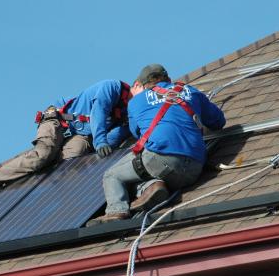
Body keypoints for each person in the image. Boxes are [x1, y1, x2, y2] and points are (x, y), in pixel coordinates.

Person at [87, 64, 226, 226]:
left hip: (161, 160)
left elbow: (138, 133)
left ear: (143, 84)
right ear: (168, 79)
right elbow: (219, 122)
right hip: (194, 168)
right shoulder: (192, 91)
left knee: (113, 175)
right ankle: (153, 186)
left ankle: (117, 211)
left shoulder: (136, 101)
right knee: (141, 173)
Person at [0, 79, 132, 197]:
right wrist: (100, 142)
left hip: (81, 135)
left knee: (73, 160)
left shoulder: (129, 113)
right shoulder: (112, 87)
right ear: (137, 84)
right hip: (58, 119)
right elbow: (98, 112)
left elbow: (114, 138)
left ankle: (44, 191)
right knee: (43, 155)